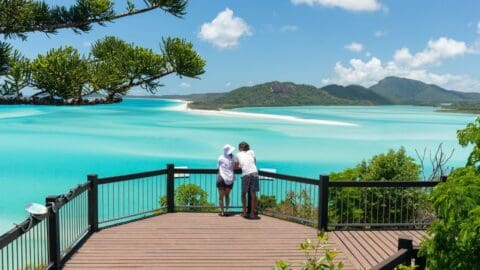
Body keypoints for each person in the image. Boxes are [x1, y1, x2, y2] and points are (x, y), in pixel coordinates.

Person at [236, 141, 259, 219]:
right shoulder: (252, 152)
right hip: (254, 172)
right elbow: (254, 162)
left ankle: (245, 212)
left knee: (243, 194)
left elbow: (237, 166)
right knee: (253, 195)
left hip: (246, 174)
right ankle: (252, 213)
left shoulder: (238, 154)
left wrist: (240, 166)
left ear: (240, 148)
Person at [217, 144, 236, 216]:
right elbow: (235, 166)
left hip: (221, 177)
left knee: (221, 197)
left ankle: (222, 212)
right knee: (227, 195)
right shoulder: (234, 157)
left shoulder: (220, 157)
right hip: (230, 178)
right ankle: (227, 209)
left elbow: (218, 167)